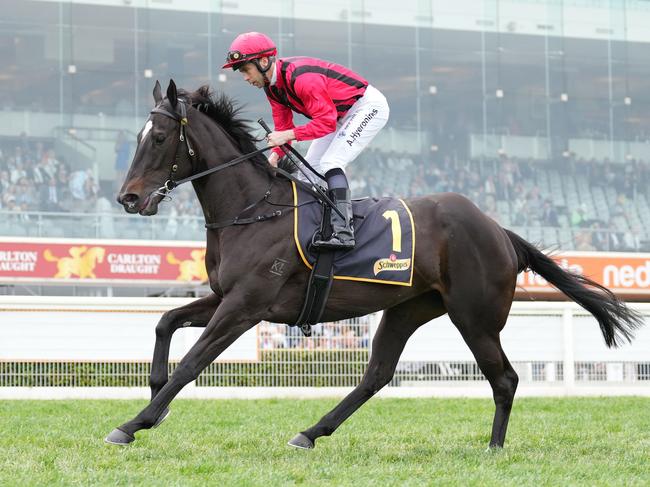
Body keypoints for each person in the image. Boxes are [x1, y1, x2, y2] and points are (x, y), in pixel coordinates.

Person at [222, 32, 390, 249]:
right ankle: (317, 227)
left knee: (331, 162)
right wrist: (274, 155)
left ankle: (344, 232)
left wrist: (288, 136)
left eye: (246, 70)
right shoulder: (271, 88)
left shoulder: (302, 78)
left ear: (263, 61)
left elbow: (324, 124)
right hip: (337, 115)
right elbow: (283, 128)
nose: (245, 77)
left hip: (366, 107)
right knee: (307, 172)